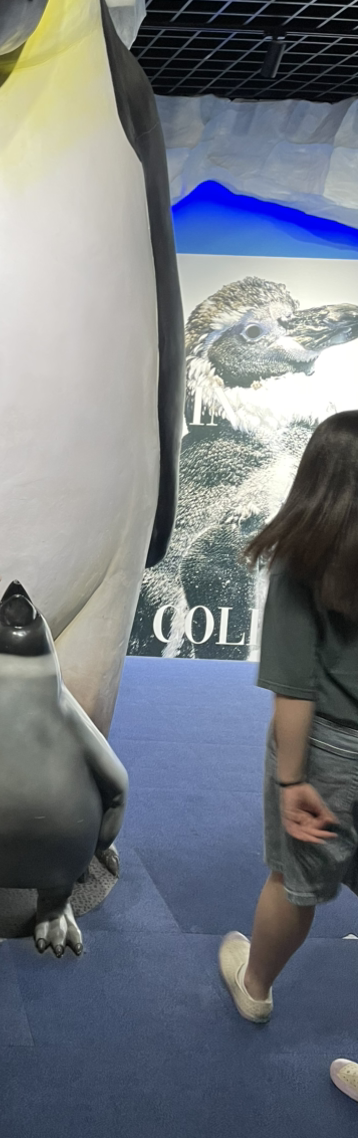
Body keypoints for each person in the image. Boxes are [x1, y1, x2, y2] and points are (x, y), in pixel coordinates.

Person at [218, 412, 358, 1043]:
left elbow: (295, 690)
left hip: (328, 749)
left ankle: (254, 987)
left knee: (293, 882)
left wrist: (291, 781)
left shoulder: (302, 561)